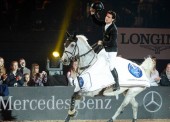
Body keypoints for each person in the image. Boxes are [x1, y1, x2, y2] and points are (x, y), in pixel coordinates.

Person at [90, 4, 119, 90]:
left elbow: (111, 42)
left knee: (111, 66)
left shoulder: (114, 29)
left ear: (113, 19)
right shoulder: (105, 23)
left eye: (109, 17)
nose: (106, 18)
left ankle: (117, 84)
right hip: (105, 48)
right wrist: (92, 14)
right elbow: (97, 22)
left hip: (112, 50)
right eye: (106, 16)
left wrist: (102, 42)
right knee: (96, 59)